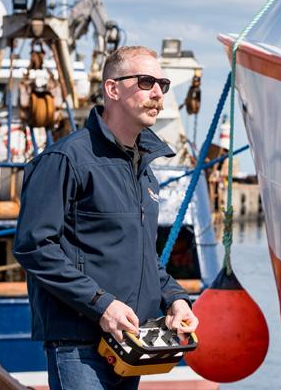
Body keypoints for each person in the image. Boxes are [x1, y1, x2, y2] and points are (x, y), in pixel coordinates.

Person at [13, 45, 199, 390]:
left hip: (129, 343)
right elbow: (33, 246)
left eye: (163, 84)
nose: (158, 93)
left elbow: (143, 259)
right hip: (79, 345)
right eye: (146, 82)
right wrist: (102, 305)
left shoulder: (144, 171)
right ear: (112, 89)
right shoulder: (65, 159)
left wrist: (175, 299)